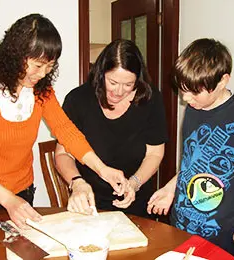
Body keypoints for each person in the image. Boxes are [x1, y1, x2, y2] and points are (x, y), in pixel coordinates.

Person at [0, 14, 127, 229]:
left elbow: (67, 132)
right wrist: (8, 200)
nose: (43, 74)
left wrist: (103, 170)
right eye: (37, 66)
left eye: (49, 67)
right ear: (15, 55)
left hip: (22, 194)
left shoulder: (41, 92)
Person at [147, 38, 234, 256]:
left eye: (194, 92)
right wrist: (170, 189)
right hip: (180, 226)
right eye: (183, 90)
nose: (185, 98)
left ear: (222, 81)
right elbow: (192, 163)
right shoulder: (194, 108)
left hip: (219, 236)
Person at [54, 39, 168, 218]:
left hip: (135, 200)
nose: (119, 92)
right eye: (113, 82)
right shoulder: (79, 100)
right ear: (101, 74)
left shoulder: (150, 100)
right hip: (88, 201)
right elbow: (63, 154)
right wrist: (77, 183)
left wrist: (134, 183)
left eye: (128, 85)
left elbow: (155, 153)